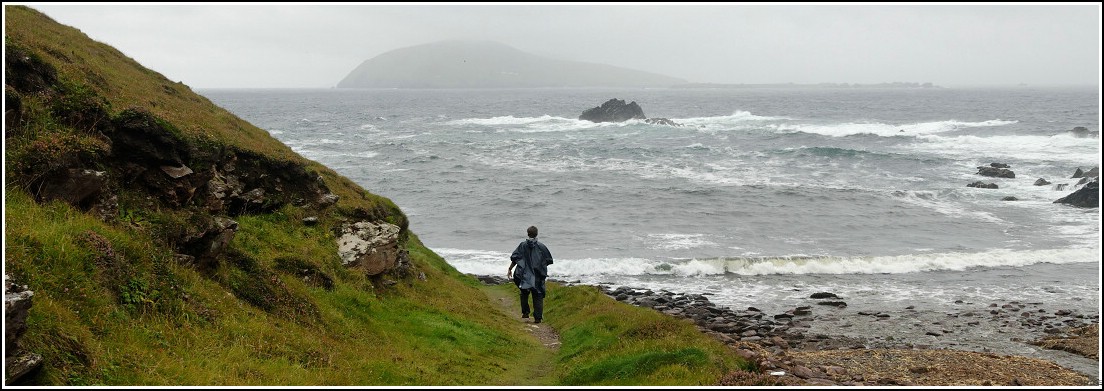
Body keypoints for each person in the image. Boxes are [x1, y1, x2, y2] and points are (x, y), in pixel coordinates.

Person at [507, 226, 554, 323]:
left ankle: (525, 313)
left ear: (528, 234)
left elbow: (515, 258)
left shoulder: (522, 245)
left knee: (524, 293)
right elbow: (548, 260)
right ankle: (538, 318)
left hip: (524, 274)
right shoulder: (542, 246)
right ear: (536, 234)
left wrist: (510, 269)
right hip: (537, 274)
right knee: (538, 294)